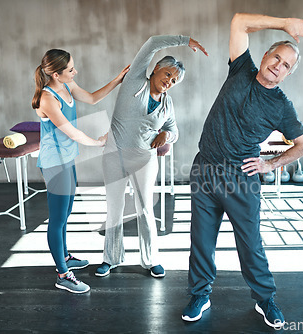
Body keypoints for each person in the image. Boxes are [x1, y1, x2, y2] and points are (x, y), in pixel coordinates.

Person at [181, 13, 303, 327]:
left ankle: (265, 299)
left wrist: (269, 163)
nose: (278, 65)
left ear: (288, 73)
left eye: (286, 65)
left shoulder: (282, 106)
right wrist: (285, 24)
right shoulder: (241, 67)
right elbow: (239, 22)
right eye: (276, 57)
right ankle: (200, 294)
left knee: (250, 245)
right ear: (266, 54)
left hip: (240, 180)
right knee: (201, 239)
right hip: (205, 169)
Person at [96, 35, 208, 278]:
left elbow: (174, 129)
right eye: (167, 74)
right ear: (156, 69)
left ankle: (150, 260)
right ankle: (110, 258)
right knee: (114, 209)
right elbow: (152, 43)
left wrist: (166, 136)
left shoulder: (167, 104)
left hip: (145, 160)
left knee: (145, 208)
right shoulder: (135, 82)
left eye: (174, 80)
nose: (169, 81)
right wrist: (185, 41)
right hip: (114, 156)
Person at [32, 49, 129, 293]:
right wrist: (99, 143)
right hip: (55, 163)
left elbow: (93, 98)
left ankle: (64, 255)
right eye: (70, 69)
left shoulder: (68, 85)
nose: (75, 72)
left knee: (66, 213)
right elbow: (71, 132)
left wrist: (118, 79)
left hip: (67, 159)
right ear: (55, 74)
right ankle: (63, 274)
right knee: (57, 219)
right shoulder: (48, 98)